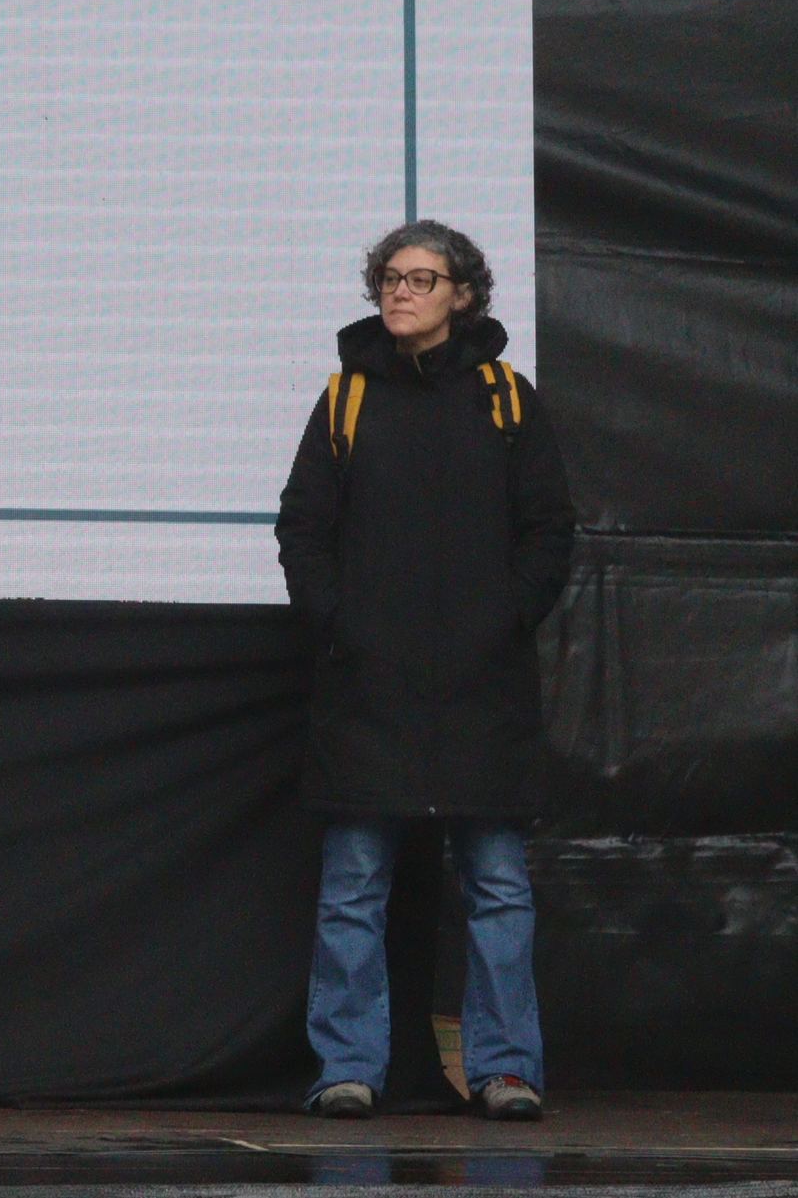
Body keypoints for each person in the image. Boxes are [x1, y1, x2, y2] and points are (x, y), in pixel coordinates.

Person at [275, 220, 574, 1123]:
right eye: (390, 278)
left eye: (421, 278)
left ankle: (506, 1068)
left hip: (483, 691)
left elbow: (549, 530)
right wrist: (341, 626)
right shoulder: (345, 398)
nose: (399, 292)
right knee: (353, 888)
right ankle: (348, 1067)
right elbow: (302, 528)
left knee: (498, 887)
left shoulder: (508, 399)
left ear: (463, 295)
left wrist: (503, 620)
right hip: (368, 689)